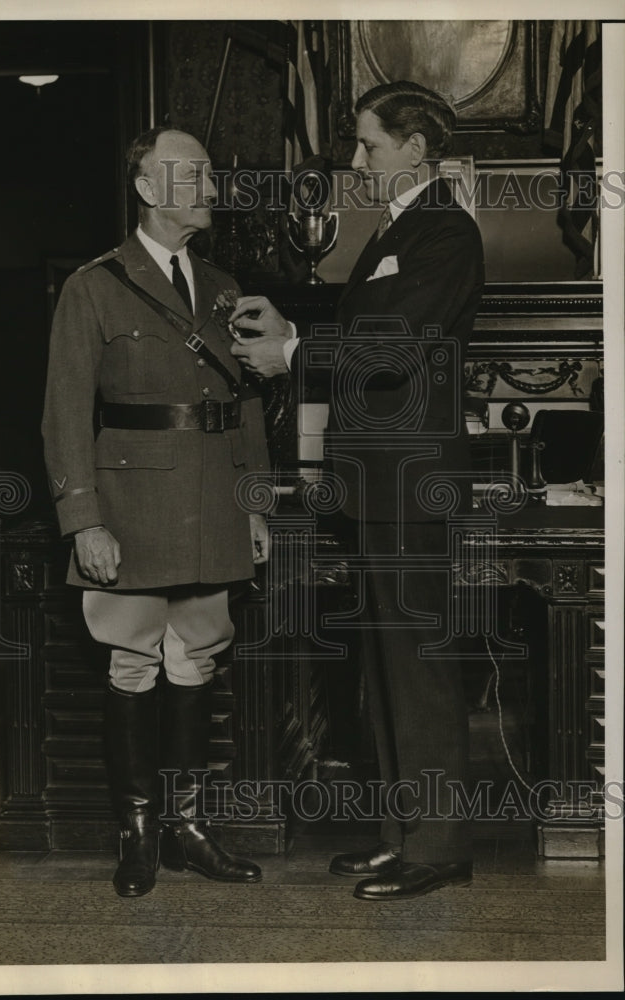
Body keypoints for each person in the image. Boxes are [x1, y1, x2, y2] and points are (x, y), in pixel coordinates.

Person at [229, 81, 485, 900]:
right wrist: (289, 334)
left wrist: (297, 351)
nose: (356, 159)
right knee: (383, 664)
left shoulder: (446, 229)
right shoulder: (398, 229)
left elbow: (393, 348)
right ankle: (400, 835)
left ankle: (439, 844)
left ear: (415, 148)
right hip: (379, 482)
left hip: (411, 484)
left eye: (369, 145)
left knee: (416, 662)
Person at [42, 125, 270, 898]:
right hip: (130, 507)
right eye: (194, 173)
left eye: (209, 173)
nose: (211, 185)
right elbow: (64, 414)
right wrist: (84, 522)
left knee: (197, 662)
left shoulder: (227, 287)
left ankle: (188, 828)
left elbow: (248, 408)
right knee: (134, 666)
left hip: (212, 501)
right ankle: (136, 832)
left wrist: (256, 506)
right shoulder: (95, 285)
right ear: (147, 187)